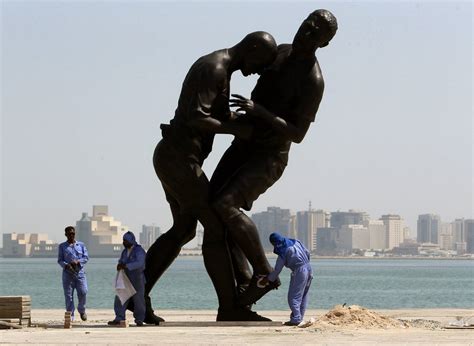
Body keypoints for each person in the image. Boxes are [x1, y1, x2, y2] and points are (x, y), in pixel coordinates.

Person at [143, 31, 278, 323]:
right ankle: (229, 307)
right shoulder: (214, 68)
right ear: (251, 48)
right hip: (179, 161)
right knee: (216, 225)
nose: (258, 71)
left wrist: (251, 119)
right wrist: (237, 130)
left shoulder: (223, 72)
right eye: (261, 62)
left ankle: (136, 295)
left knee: (184, 229)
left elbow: (216, 115)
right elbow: (196, 117)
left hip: (176, 158)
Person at [209, 9, 338, 306]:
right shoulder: (280, 52)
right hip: (244, 144)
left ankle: (264, 272)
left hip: (269, 156)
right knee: (213, 208)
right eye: (307, 24)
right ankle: (242, 290)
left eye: (314, 32)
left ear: (323, 43)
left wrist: (260, 112)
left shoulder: (313, 81)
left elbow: (297, 133)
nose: (306, 32)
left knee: (225, 204)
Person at [261, 233, 313, 326]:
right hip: (308, 268)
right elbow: (308, 252)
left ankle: (296, 319)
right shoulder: (296, 241)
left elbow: (277, 270)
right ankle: (299, 318)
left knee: (293, 297)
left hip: (299, 271)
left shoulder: (283, 251)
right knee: (303, 295)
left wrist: (268, 279)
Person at [108, 231, 147, 327]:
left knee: (139, 301)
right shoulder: (124, 251)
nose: (123, 242)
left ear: (131, 240)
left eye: (125, 240)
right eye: (123, 240)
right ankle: (119, 318)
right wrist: (119, 265)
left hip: (137, 280)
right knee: (120, 298)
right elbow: (121, 261)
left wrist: (126, 266)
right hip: (125, 279)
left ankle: (139, 319)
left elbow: (140, 263)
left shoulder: (139, 251)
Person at [57, 225, 89, 322]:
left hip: (80, 273)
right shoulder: (62, 246)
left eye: (73, 233)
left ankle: (82, 310)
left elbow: (86, 257)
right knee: (68, 296)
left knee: (83, 292)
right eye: (69, 233)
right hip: (68, 274)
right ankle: (70, 314)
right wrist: (66, 265)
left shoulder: (81, 245)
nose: (72, 235)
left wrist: (78, 262)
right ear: (66, 234)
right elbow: (60, 260)